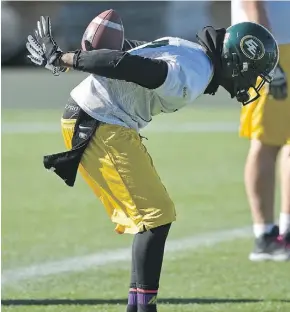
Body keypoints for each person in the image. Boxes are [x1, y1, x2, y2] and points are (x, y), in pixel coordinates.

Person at [26, 16, 280, 312]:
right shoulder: (194, 73)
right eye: (253, 73)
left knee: (155, 217)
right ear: (237, 62)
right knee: (155, 217)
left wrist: (70, 58)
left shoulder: (192, 53)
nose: (252, 82)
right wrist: (65, 58)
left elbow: (131, 52)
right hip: (99, 121)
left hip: (103, 120)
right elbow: (133, 66)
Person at [231, 0, 290, 262]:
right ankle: (266, 235)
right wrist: (270, 59)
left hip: (277, 46)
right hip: (269, 47)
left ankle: (283, 233)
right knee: (266, 140)